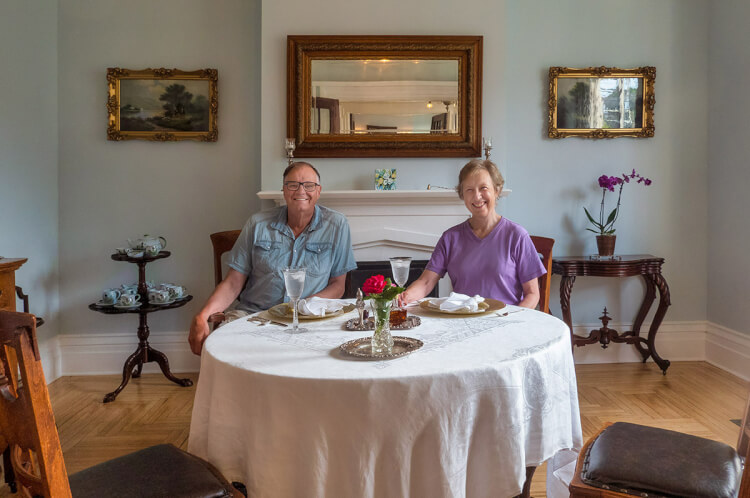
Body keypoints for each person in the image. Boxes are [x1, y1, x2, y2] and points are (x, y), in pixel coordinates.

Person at [189, 161, 357, 354]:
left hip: (308, 319)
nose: (301, 190)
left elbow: (338, 285)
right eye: (293, 184)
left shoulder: (337, 225)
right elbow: (232, 283)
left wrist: (304, 307)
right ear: (284, 191)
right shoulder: (257, 224)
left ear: (318, 191)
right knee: (225, 350)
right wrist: (202, 315)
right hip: (254, 316)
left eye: (309, 185)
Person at [399, 159, 545, 308]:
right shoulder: (450, 238)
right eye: (469, 190)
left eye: (483, 188)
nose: (477, 196)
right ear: (462, 195)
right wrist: (404, 297)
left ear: (497, 190)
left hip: (505, 322)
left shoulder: (517, 236)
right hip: (462, 322)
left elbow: (532, 294)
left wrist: (511, 321)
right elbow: (425, 282)